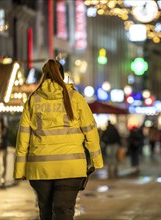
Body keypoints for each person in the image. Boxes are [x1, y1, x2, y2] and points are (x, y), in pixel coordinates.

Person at [14, 59, 103, 220]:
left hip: (40, 169)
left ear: (44, 75)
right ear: (62, 76)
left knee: (45, 212)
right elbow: (90, 131)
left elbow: (23, 139)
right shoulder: (75, 98)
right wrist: (97, 161)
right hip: (71, 168)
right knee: (64, 212)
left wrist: (20, 170)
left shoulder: (33, 100)